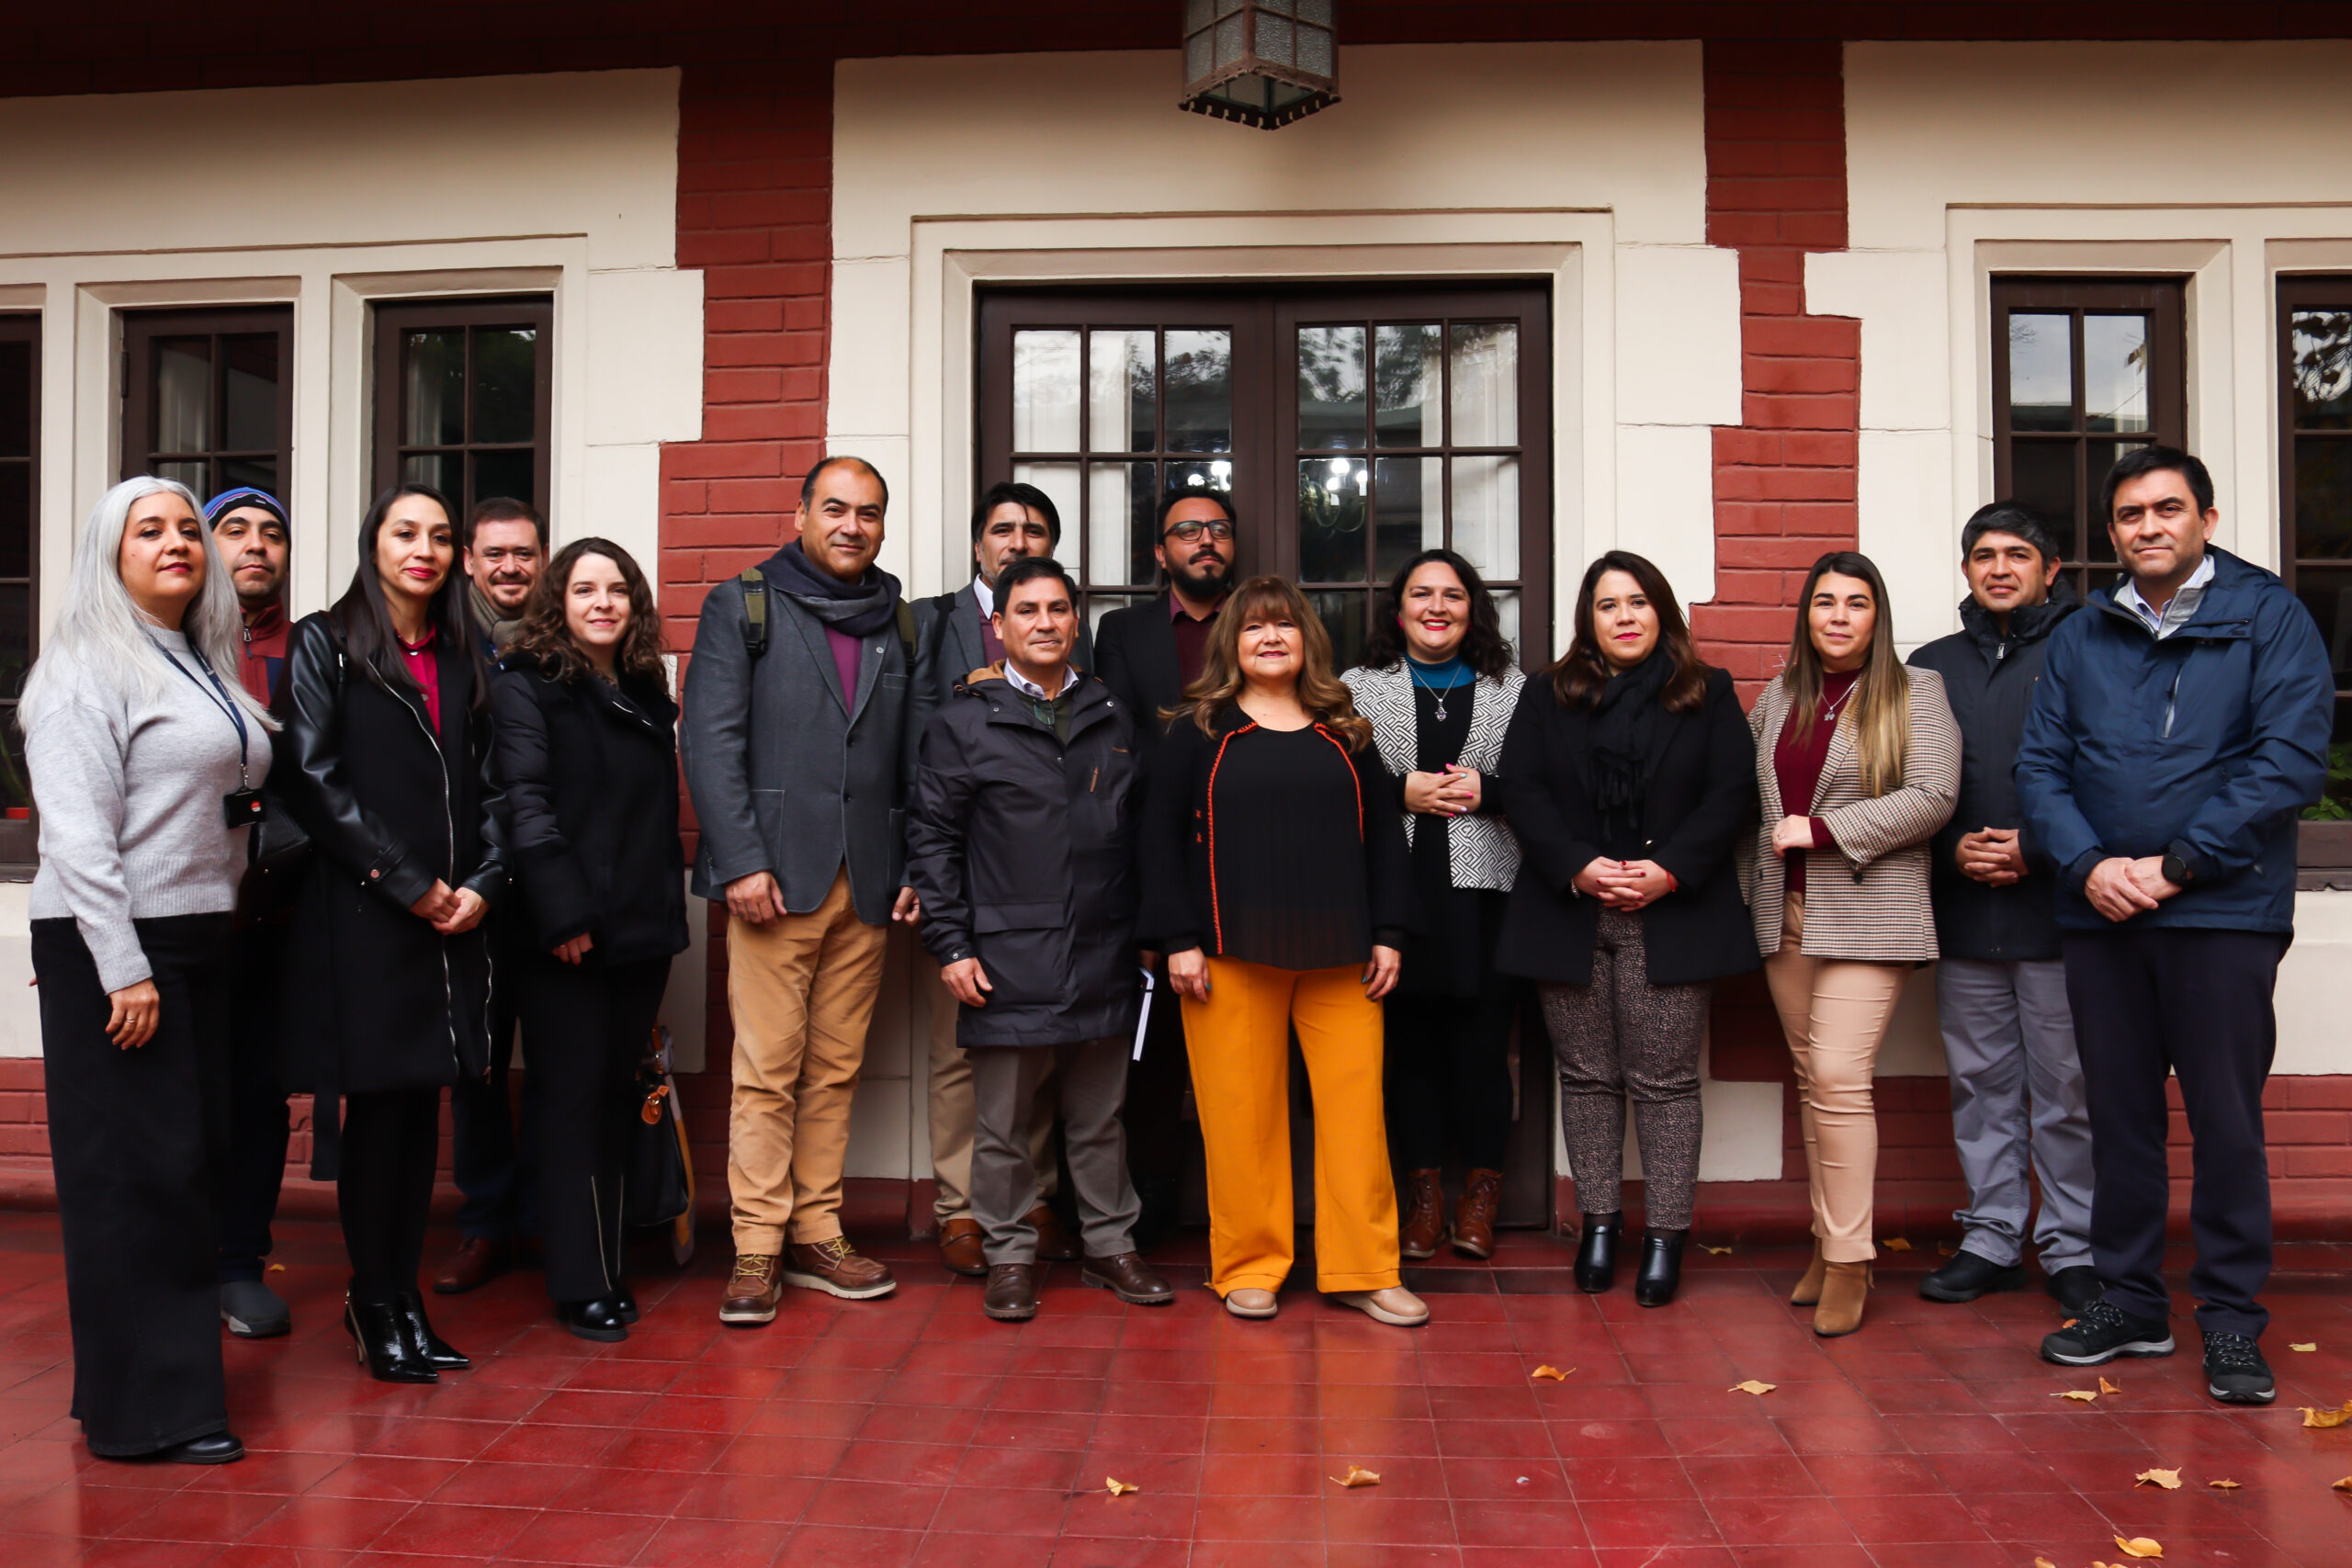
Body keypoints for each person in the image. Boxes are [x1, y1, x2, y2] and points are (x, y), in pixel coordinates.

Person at [2021, 446, 2333, 1405]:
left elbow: (2286, 762)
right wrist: (2088, 866)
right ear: (2111, 533)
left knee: (2225, 1123)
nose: (2146, 527)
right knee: (2115, 1119)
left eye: (2165, 509)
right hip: (2100, 912)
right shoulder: (2081, 634)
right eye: (2127, 515)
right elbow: (2040, 769)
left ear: (2203, 516)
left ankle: (2232, 1323)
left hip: (2222, 911)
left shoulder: (2269, 618)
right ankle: (2130, 1302)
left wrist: (2176, 864)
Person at [24, 476, 277, 1463]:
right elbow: (78, 836)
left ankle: (133, 1394)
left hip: (196, 940)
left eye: (186, 528)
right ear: (108, 551)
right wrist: (118, 966)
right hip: (122, 948)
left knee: (185, 1170)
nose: (177, 542)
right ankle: (152, 1420)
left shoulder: (194, 655)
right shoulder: (83, 667)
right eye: (149, 530)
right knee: (136, 1181)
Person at [1139, 574, 1424, 1325]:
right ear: (1231, 643)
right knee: (1240, 1119)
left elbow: (1387, 844)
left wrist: (1390, 931)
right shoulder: (1196, 730)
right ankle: (1248, 1266)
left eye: (1286, 627)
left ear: (1308, 643)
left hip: (1342, 957)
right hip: (1228, 955)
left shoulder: (1349, 733)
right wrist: (1177, 940)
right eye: (1255, 627)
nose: (1271, 638)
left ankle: (1365, 1267)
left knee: (1356, 1117)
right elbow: (1158, 842)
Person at [273, 482, 506, 1383]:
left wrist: (482, 883)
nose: (425, 549)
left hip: (456, 919)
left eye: (441, 536)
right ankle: (376, 1301)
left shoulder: (465, 651)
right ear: (374, 544)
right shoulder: (324, 643)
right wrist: (413, 887)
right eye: (406, 533)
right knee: (381, 1114)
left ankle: (402, 1301)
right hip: (370, 917)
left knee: (423, 1114)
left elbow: (496, 785)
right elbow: (315, 781)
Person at [683, 456, 923, 1324]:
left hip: (869, 882)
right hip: (773, 882)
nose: (852, 525)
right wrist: (742, 860)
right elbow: (710, 744)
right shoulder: (742, 603)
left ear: (883, 525)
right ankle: (755, 1244)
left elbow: (910, 755)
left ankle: (818, 1232)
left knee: (835, 1069)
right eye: (835, 508)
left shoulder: (897, 617)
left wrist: (913, 868)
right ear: (801, 513)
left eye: (868, 511)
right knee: (767, 1069)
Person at [908, 557, 1172, 1320]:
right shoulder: (961, 722)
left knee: (1099, 1120)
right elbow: (932, 844)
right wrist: (952, 946)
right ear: (1000, 625)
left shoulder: (1111, 713)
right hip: (1003, 954)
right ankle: (1010, 1253)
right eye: (1028, 610)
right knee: (1002, 1128)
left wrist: (1148, 933)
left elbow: (1141, 833)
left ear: (1076, 622)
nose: (1046, 623)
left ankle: (1111, 1246)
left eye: (1059, 609)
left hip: (1104, 949)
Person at [1496, 551, 1758, 1307]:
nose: (1625, 617)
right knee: (1585, 1077)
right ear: (1590, 619)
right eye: (1608, 605)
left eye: (1638, 602)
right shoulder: (1548, 693)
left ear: (1661, 611)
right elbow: (1525, 789)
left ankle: (1666, 1237)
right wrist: (1579, 866)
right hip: (1568, 910)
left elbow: (1731, 792)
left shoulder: (1705, 692)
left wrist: (1669, 869)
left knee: (1666, 1083)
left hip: (1670, 912)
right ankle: (1600, 1225)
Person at [1747, 550, 1958, 1337]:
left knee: (1839, 1073)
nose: (1838, 615)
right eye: (1825, 602)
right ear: (1807, 615)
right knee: (1813, 1080)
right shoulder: (1779, 697)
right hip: (1786, 913)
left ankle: (1848, 1259)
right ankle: (1827, 1240)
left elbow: (1934, 795)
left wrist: (1826, 828)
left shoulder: (1916, 691)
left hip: (1874, 911)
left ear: (1879, 615)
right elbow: (1749, 804)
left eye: (1856, 602)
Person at [492, 538, 688, 1342]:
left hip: (640, 930)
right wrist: (564, 915)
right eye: (584, 589)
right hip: (563, 933)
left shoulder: (644, 686)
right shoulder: (525, 684)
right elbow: (524, 803)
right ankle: (580, 1282)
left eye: (617, 590)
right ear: (558, 603)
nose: (602, 602)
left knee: (613, 1099)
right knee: (569, 1103)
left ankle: (609, 1261)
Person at [1906, 504, 2099, 1316]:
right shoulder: (1931, 665)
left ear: (2051, 569)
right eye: (1982, 555)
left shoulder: (2094, 645)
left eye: (2017, 554)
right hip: (1963, 910)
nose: (1998, 568)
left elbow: (2114, 771)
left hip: (2061, 912)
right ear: (1966, 570)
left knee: (2067, 1089)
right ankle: (1991, 1236)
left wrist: (2039, 847)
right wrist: (1952, 847)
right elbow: (1906, 780)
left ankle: (2072, 1245)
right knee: (1981, 1084)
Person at [911, 481, 1089, 1277]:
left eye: (1036, 531)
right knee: (965, 1050)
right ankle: (964, 1208)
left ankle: (1035, 1196)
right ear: (978, 543)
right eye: (1004, 529)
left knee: (1044, 1046)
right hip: (957, 875)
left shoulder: (1065, 630)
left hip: (1042, 880)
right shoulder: (929, 622)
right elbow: (900, 745)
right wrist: (915, 867)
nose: (1019, 541)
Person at [1340, 548, 1524, 1261]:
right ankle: (1421, 1200)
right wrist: (1400, 792)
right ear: (1399, 609)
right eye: (1422, 594)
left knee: (1483, 1051)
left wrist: (1491, 792)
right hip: (1397, 894)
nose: (1436, 607)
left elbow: (1543, 782)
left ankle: (1480, 1195)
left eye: (1452, 594)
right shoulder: (1356, 688)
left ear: (1471, 608)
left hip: (1488, 894)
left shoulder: (1512, 688)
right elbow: (1333, 781)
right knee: (1408, 1052)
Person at [1093, 488, 1239, 1247]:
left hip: (1249, 861)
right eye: (1188, 531)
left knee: (1244, 1051)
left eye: (1217, 530)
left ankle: (1242, 1213)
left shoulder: (1262, 627)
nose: (1205, 541)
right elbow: (1118, 748)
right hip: (1151, 851)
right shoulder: (1121, 631)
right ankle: (1146, 1211)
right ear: (1161, 552)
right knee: (1149, 1055)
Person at [433, 496, 547, 1295]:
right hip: (471, 890)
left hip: (548, 891)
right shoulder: (442, 646)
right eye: (495, 553)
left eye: (525, 553)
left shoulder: (563, 639)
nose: (511, 567)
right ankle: (484, 1222)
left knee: (554, 1062)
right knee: (476, 1064)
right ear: (468, 561)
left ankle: (543, 1219)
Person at [203, 486, 297, 1340]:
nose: (256, 546)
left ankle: (240, 1262)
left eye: (272, 534)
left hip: (275, 921)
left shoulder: (309, 653)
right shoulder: (165, 650)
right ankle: (172, 1265)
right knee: (178, 1095)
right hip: (178, 920)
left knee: (259, 1095)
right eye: (236, 530)